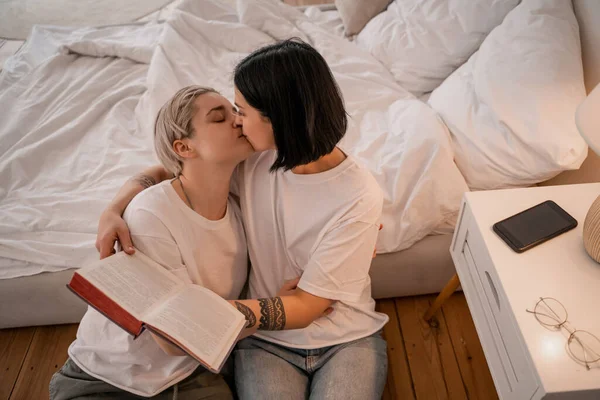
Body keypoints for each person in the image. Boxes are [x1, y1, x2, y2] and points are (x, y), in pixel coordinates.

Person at [96, 39, 389, 400]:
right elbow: (175, 167)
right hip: (265, 341)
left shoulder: (358, 195)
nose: (237, 121)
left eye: (242, 110)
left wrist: (197, 317)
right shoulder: (253, 159)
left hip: (347, 337)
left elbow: (309, 308)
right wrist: (114, 208)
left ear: (279, 117)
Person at [50, 86, 253, 400]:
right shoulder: (151, 214)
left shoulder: (242, 201)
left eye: (236, 112)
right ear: (184, 147)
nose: (238, 121)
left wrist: (113, 206)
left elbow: (162, 168)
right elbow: (176, 338)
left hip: (190, 374)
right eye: (219, 118)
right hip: (107, 379)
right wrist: (291, 308)